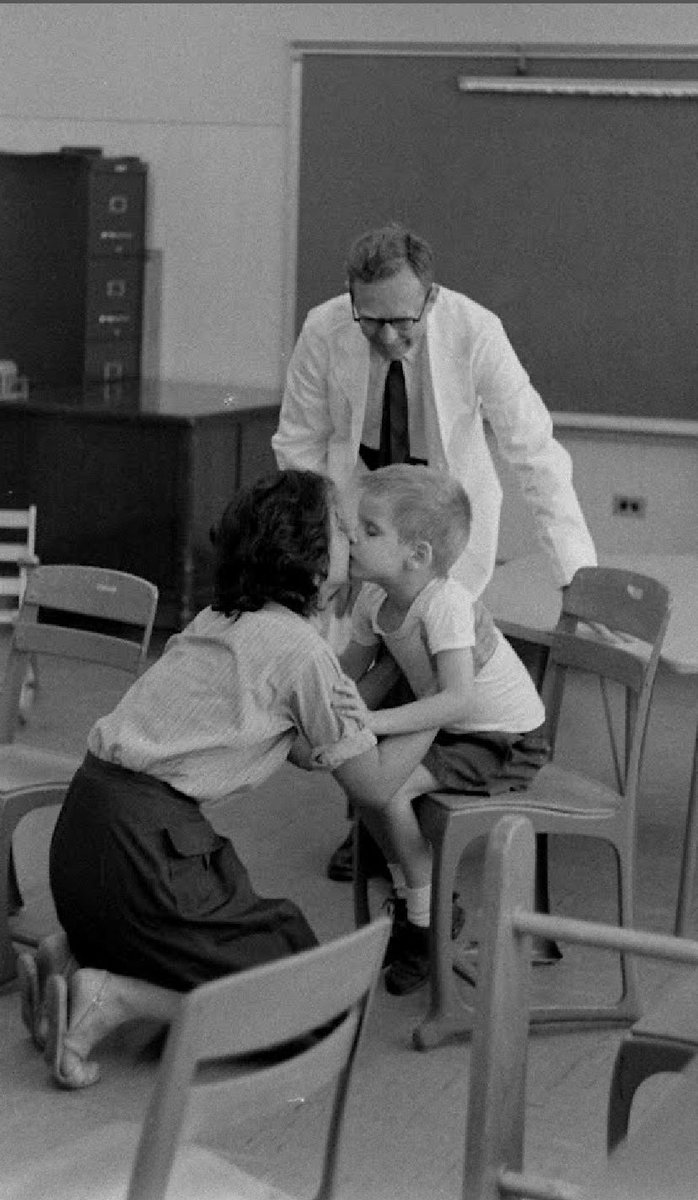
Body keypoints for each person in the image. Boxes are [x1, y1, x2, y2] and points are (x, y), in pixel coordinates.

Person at [19, 469, 438, 1089]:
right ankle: (115, 999)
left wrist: (359, 695)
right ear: (315, 565)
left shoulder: (219, 620)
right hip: (147, 857)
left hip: (84, 840)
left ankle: (74, 952)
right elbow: (373, 788)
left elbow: (302, 746)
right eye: (345, 533)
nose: (354, 539)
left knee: (278, 939)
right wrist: (438, 705)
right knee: (313, 1007)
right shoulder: (301, 652)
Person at [272, 220, 595, 880]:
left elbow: (534, 451)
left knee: (430, 671)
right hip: (360, 523)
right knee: (353, 668)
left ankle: (403, 822)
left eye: (402, 321)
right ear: (350, 299)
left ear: (432, 297)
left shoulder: (476, 331)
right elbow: (298, 444)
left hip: (441, 530)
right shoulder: (322, 328)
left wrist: (575, 573)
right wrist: (318, 547)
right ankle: (375, 823)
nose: (387, 337)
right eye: (371, 321)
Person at [333, 465, 549, 996]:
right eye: (354, 524)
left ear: (419, 555)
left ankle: (427, 920)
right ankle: (416, 895)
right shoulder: (373, 599)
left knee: (390, 785)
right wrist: (329, 718)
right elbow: (350, 681)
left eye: (370, 529)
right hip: (449, 727)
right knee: (364, 780)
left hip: (502, 739)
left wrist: (368, 725)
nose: (351, 537)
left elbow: (457, 698)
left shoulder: (445, 605)